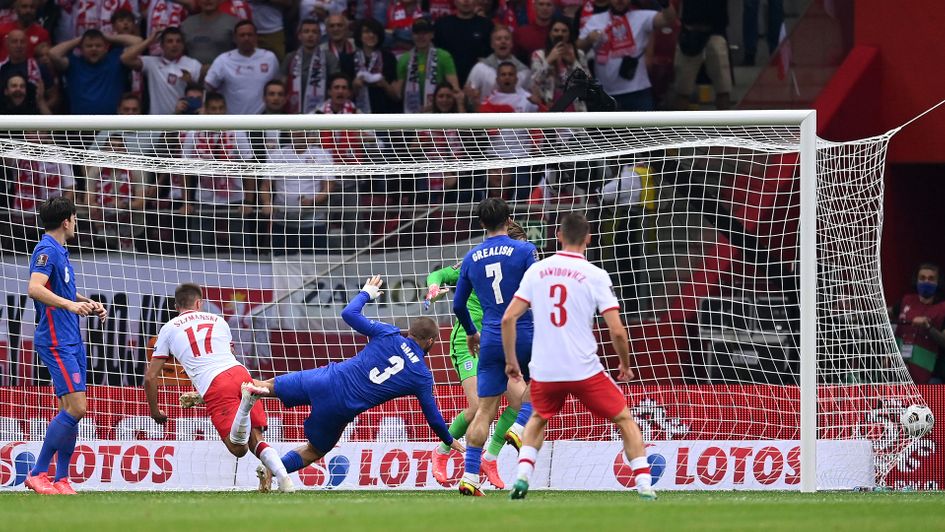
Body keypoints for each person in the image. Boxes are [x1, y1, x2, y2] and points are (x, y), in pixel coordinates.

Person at [502, 212, 655, 500]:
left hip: (546, 369)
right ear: (588, 238)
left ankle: (522, 477)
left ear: (558, 236)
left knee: (537, 417)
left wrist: (511, 361)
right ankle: (645, 484)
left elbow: (509, 318)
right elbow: (618, 332)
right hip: (583, 368)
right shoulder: (596, 275)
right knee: (624, 419)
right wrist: (625, 363)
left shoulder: (537, 271)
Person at [243, 276, 464, 474]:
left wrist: (366, 292)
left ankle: (227, 386)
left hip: (325, 380)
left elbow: (349, 313)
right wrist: (448, 439)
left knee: (263, 386)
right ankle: (272, 471)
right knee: (313, 451)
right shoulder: (422, 376)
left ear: (409, 332)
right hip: (340, 408)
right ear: (431, 342)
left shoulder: (389, 333)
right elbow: (433, 417)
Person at [145, 283, 295, 492]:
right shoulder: (219, 321)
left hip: (216, 383)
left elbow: (151, 377)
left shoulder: (169, 328)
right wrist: (200, 395)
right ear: (200, 303)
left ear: (175, 305)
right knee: (255, 440)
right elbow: (225, 359)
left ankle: (245, 405)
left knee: (238, 448)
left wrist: (154, 410)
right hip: (241, 374)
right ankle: (285, 480)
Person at [425, 220, 531, 489]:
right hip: (468, 340)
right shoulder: (477, 261)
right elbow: (439, 275)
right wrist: (433, 288)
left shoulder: (519, 268)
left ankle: (490, 457)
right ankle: (442, 451)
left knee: (521, 403)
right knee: (479, 409)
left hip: (497, 342)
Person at [453, 198, 538, 496]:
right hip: (523, 330)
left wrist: (471, 332)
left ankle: (470, 476)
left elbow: (458, 304)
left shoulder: (471, 257)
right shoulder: (525, 250)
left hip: (488, 337)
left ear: (480, 224)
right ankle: (518, 427)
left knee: (485, 410)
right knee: (545, 382)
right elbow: (537, 291)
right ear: (510, 219)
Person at [24, 196, 109, 495]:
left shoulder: (61, 250)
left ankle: (61, 479)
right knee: (77, 408)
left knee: (69, 409)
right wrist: (71, 307)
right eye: (74, 218)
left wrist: (86, 302)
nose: (76, 223)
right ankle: (37, 473)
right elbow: (34, 288)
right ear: (66, 221)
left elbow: (62, 290)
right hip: (57, 340)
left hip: (71, 339)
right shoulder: (46, 250)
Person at [577, 0, 675, 112]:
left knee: (644, 129)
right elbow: (578, 48)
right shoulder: (595, 20)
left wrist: (665, 3)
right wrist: (588, 40)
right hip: (605, 93)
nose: (620, 1)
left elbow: (668, 19)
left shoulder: (642, 16)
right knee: (607, 130)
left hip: (637, 91)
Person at [47, 28, 143, 115]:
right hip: (81, 126)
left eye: (98, 45)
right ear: (81, 49)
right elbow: (53, 53)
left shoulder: (116, 59)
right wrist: (80, 39)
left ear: (106, 48)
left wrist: (107, 37)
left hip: (111, 126)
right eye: (89, 46)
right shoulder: (73, 63)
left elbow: (138, 41)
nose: (94, 48)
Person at [122, 27, 203, 115]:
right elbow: (125, 58)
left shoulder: (193, 64)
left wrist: (190, 82)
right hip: (158, 122)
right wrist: (149, 41)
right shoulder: (152, 63)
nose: (174, 45)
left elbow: (203, 94)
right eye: (170, 41)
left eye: (178, 41)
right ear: (162, 45)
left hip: (184, 122)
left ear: (183, 45)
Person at [205, 20, 279, 114]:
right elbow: (208, 87)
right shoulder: (223, 60)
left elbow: (277, 87)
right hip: (232, 121)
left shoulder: (269, 58)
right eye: (242, 35)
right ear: (235, 38)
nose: (246, 38)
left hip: (261, 120)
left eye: (250, 34)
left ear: (256, 37)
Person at [892, 263, 945, 384]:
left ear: (938, 283)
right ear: (916, 281)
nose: (926, 281)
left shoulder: (943, 308)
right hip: (901, 372)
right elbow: (886, 314)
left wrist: (928, 327)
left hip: (931, 376)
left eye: (931, 279)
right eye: (922, 278)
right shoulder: (906, 300)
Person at [395, 17, 460, 114]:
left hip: (438, 111)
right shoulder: (404, 59)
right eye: (417, 33)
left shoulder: (444, 56)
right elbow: (398, 94)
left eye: (424, 33)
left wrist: (433, 105)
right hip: (412, 113)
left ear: (432, 35)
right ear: (412, 35)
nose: (421, 37)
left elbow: (454, 89)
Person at [674, 0, 731, 110]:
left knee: (723, 88)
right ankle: (680, 126)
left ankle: (725, 126)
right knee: (682, 89)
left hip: (716, 31)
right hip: (690, 31)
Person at [530, 17, 589, 111]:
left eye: (564, 31)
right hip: (549, 105)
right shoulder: (538, 55)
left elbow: (588, 83)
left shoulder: (579, 54)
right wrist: (548, 61)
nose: (560, 34)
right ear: (550, 33)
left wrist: (574, 62)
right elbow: (534, 82)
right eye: (556, 30)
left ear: (569, 34)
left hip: (575, 106)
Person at [465, 25, 531, 110]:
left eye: (506, 38)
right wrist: (471, 99)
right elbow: (468, 98)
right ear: (492, 44)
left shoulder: (523, 72)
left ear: (511, 44)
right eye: (498, 39)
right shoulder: (480, 68)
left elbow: (529, 100)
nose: (503, 41)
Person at [433, 0, 493, 86]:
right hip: (446, 86)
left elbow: (490, 56)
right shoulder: (441, 25)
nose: (466, 1)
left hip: (477, 85)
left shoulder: (486, 25)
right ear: (454, 2)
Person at [352, 17, 399, 114]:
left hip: (383, 113)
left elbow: (396, 96)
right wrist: (355, 85)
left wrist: (385, 85)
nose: (371, 35)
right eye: (366, 32)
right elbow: (341, 95)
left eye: (375, 32)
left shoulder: (389, 58)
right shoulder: (348, 59)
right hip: (355, 115)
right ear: (359, 36)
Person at [281, 18, 329, 113]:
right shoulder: (290, 57)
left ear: (319, 36)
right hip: (293, 110)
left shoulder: (329, 58)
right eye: (306, 31)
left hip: (321, 111)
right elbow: (282, 84)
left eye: (314, 32)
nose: (310, 35)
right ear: (299, 36)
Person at [180, 0, 241, 68]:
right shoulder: (185, 25)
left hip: (225, 74)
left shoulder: (233, 24)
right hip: (192, 75)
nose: (208, 0)